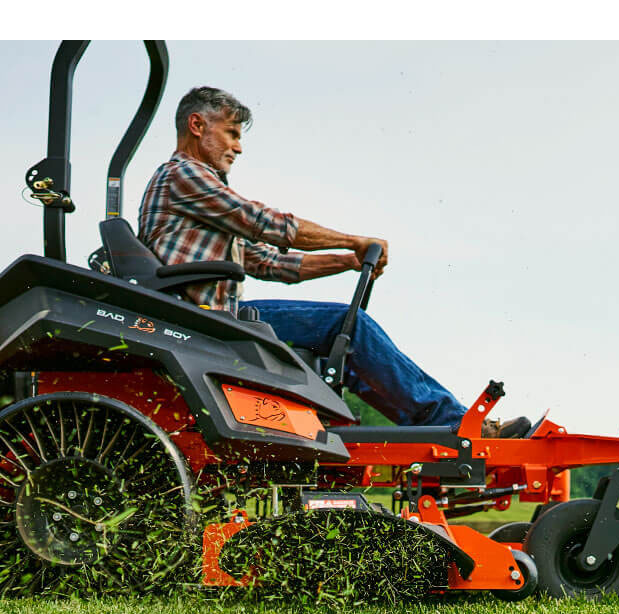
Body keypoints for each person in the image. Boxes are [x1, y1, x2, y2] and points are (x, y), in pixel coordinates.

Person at [138, 87, 529, 438]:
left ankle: (435, 432)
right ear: (197, 124)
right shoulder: (184, 175)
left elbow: (275, 264)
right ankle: (455, 423)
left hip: (215, 318)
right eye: (232, 133)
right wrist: (353, 240)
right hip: (207, 322)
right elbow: (266, 223)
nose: (238, 148)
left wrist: (349, 260)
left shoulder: (197, 197)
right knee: (348, 324)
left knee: (342, 350)